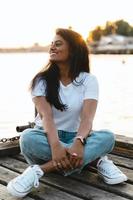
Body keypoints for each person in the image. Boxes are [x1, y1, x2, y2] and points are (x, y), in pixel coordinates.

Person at [7, 28, 127, 198]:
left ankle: (39, 170)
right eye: (51, 44)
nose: (52, 48)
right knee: (27, 138)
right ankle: (94, 161)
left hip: (77, 137)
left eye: (58, 44)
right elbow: (46, 116)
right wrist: (56, 146)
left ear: (73, 49)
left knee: (107, 137)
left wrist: (79, 140)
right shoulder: (40, 80)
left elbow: (87, 118)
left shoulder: (88, 80)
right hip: (46, 138)